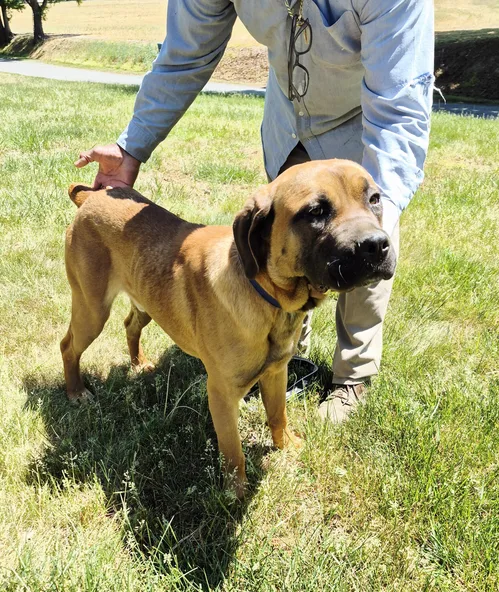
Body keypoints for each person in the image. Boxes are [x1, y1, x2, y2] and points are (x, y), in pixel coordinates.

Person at [76, 0, 434, 423]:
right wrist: (132, 145)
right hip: (287, 119)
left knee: (360, 252)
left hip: (362, 123)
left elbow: (398, 106)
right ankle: (276, 348)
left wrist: (372, 221)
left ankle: (352, 375)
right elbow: (185, 53)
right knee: (289, 250)